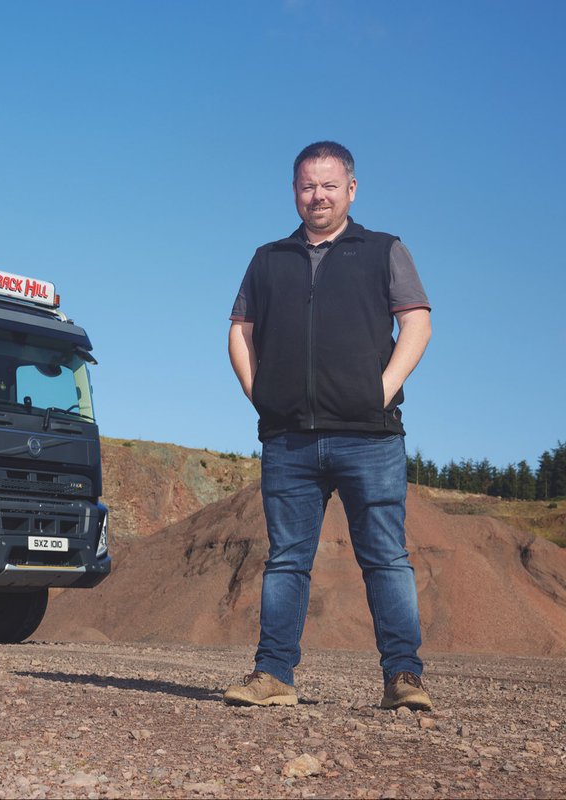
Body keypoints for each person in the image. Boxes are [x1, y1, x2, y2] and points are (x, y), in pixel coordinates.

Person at [223, 141, 433, 711]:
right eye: (307, 186)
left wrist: (380, 391)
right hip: (288, 439)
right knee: (287, 559)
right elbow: (240, 330)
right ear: (294, 191)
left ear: (351, 190)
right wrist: (260, 395)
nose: (317, 195)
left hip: (370, 437)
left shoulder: (383, 249)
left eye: (329, 185)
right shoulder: (268, 259)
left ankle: (404, 677)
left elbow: (416, 321)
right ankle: (273, 676)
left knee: (385, 558)